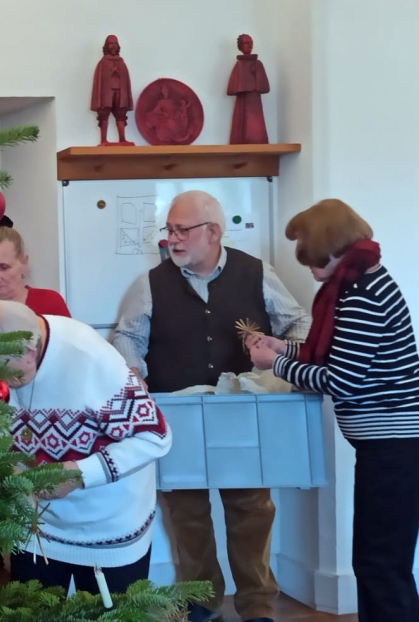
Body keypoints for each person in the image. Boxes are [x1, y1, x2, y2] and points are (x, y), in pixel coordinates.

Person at [112, 190, 311, 622]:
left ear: (214, 232)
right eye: (169, 230)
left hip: (242, 411)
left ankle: (257, 605)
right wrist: (135, 377)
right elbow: (127, 336)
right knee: (187, 510)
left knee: (251, 507)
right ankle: (201, 601)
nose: (173, 239)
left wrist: (282, 352)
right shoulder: (149, 284)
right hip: (178, 413)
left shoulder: (256, 273)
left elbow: (300, 323)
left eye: (182, 230)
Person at [248, 199, 419, 622]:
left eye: (307, 251)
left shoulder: (361, 294)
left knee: (381, 563)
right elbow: (339, 355)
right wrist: (284, 348)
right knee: (381, 561)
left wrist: (276, 364)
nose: (305, 263)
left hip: (394, 446)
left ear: (328, 245)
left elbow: (340, 380)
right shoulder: (361, 282)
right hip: (390, 445)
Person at [0, 299, 171, 596]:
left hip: (108, 530)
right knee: (29, 612)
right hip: (34, 528)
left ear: (29, 352)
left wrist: (79, 474)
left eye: (5, 373)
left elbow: (155, 436)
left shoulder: (89, 355)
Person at [91, 34, 134, 146]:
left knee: (121, 114)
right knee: (104, 113)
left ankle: (122, 139)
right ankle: (103, 139)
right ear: (106, 46)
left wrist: (118, 74)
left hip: (120, 91)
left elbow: (125, 79)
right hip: (107, 92)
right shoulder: (103, 62)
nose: (113, 45)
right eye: (111, 43)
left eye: (115, 43)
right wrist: (111, 73)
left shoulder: (121, 62)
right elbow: (101, 79)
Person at [227, 34, 270, 145]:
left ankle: (258, 139)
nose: (249, 45)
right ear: (240, 46)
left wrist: (257, 74)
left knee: (256, 121)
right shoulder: (239, 65)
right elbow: (232, 88)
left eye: (251, 43)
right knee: (242, 122)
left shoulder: (258, 64)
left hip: (255, 100)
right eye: (246, 43)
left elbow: (265, 86)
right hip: (243, 99)